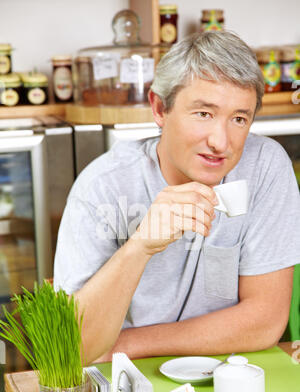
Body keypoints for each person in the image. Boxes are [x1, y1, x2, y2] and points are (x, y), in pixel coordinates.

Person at [54, 31, 300, 365]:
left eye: (239, 118)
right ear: (159, 108)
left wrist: (127, 344)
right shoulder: (102, 187)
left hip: (226, 372)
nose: (220, 141)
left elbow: (265, 321)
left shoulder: (264, 166)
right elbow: (76, 346)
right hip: (124, 382)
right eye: (203, 113)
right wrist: (140, 246)